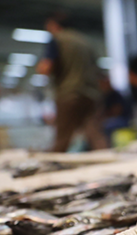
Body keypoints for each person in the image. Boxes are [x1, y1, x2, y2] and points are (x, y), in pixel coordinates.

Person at [36, 13, 107, 152]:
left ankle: (53, 168)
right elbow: (99, 73)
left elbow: (46, 68)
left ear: (54, 25)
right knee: (96, 136)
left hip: (69, 94)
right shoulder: (86, 42)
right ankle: (112, 165)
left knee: (62, 139)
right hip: (90, 95)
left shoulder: (57, 39)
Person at [100, 75, 131, 146]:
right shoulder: (105, 95)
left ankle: (109, 146)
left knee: (107, 125)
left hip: (123, 119)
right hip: (112, 119)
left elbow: (117, 111)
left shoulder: (115, 94)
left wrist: (105, 117)